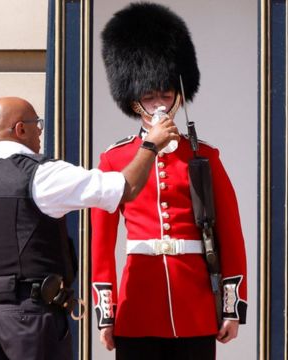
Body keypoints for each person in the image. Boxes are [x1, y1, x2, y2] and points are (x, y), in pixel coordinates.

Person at [0, 96, 179, 360]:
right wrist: (151, 144)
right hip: (31, 316)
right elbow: (127, 188)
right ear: (20, 129)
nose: (40, 131)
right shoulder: (43, 175)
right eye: (38, 124)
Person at [91, 3, 248, 359]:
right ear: (135, 104)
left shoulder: (204, 156)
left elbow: (231, 234)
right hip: (138, 301)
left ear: (179, 96)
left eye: (165, 94)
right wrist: (106, 312)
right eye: (149, 96)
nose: (159, 104)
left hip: (193, 302)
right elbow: (101, 242)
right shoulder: (115, 159)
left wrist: (231, 307)